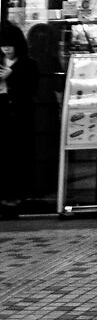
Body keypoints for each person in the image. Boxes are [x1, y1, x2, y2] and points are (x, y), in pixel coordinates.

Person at [0, 21, 31, 219]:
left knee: (17, 155)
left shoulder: (28, 64)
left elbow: (31, 89)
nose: (6, 50)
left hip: (20, 116)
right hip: (2, 114)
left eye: (9, 46)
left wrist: (12, 77)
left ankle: (16, 196)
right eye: (3, 46)